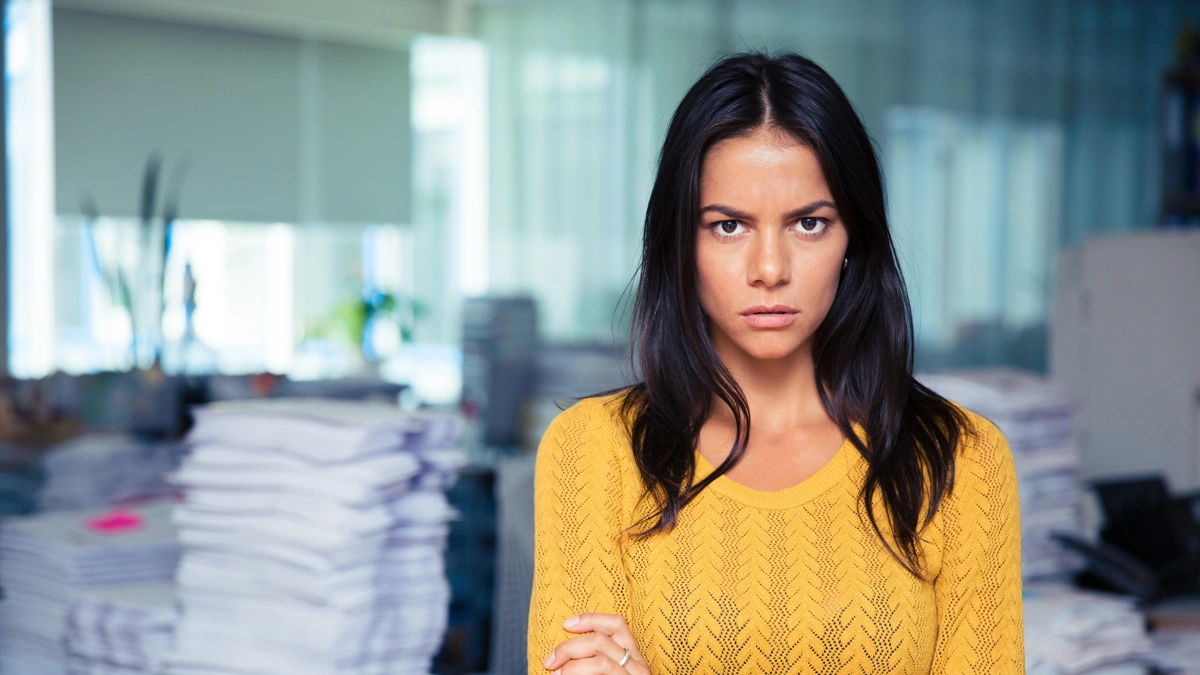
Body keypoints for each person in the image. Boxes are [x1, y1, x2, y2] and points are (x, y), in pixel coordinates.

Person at [527, 51, 1023, 675]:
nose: (770, 269)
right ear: (682, 241)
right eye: (728, 226)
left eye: (809, 224)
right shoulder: (592, 453)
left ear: (853, 241)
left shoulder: (959, 459)